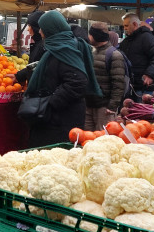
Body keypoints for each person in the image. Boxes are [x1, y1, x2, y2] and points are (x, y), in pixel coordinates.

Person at [19, 11, 101, 148]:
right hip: (58, 117)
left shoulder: (65, 50)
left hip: (61, 118)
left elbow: (77, 81)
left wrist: (51, 102)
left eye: (42, 27)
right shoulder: (57, 47)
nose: (39, 31)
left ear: (50, 29)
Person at [85, 22, 128, 129]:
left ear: (95, 36)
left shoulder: (114, 55)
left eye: (90, 34)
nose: (88, 37)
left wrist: (112, 106)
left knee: (103, 139)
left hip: (104, 108)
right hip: (89, 104)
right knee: (86, 139)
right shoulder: (91, 52)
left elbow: (118, 83)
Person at [120, 13, 154, 96]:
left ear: (135, 24)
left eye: (126, 26)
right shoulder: (126, 41)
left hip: (144, 87)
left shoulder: (147, 38)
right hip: (131, 86)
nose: (124, 28)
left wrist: (150, 74)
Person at [14, 10, 45, 84]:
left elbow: (40, 70)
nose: (28, 29)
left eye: (29, 26)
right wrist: (20, 75)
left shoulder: (43, 47)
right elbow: (36, 67)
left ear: (36, 28)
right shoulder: (39, 45)